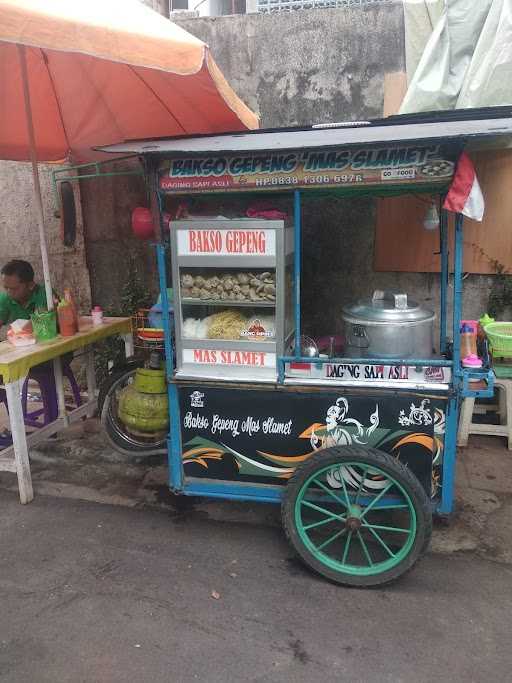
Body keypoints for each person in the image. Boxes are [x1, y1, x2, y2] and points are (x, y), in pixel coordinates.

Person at [0, 259, 53, 329]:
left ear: (30, 285)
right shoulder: (5, 298)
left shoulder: (45, 294)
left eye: (14, 289)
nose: (9, 292)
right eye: (6, 288)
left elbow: (38, 325)